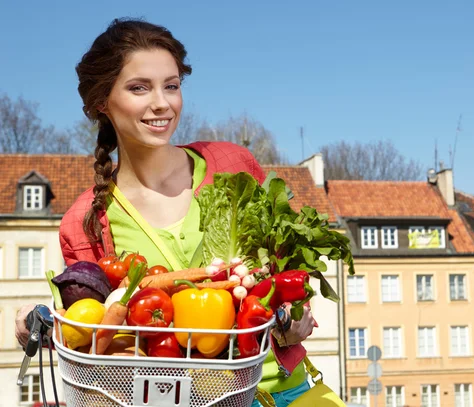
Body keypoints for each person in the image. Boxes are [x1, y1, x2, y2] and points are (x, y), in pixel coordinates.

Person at [14, 18, 315, 407]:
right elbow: (96, 338)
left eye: (171, 86)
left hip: (284, 390)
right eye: (140, 87)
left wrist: (296, 314)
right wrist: (40, 322)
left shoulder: (232, 164)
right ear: (102, 102)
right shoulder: (84, 220)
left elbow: (288, 271)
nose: (162, 103)